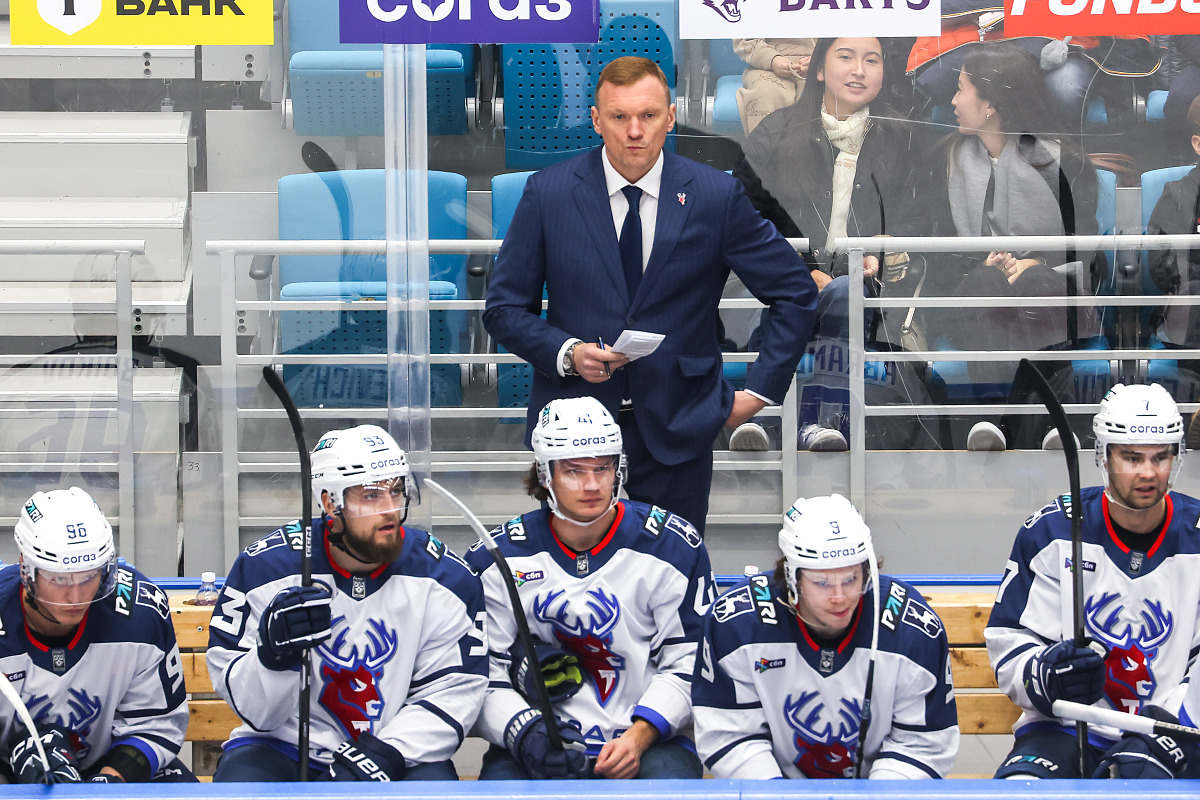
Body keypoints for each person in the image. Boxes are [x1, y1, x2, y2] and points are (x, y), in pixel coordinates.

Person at [483, 55, 818, 534]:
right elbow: (503, 309)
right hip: (573, 430)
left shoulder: (715, 196)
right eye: (619, 116)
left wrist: (760, 390)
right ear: (596, 120)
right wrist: (568, 353)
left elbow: (795, 292)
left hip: (680, 422)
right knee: (574, 572)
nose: (635, 131)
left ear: (672, 116)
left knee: (673, 569)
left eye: (648, 115)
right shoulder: (548, 193)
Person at [207, 424, 487, 781]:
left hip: (397, 750)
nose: (390, 510)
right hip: (283, 748)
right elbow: (254, 712)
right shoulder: (264, 570)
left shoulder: (445, 577)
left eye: (396, 491)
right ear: (330, 503)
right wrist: (271, 660)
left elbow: (454, 687)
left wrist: (387, 754)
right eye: (371, 496)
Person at [465, 396, 715, 780]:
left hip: (651, 739)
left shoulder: (673, 546)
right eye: (574, 471)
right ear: (545, 475)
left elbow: (691, 661)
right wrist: (526, 733)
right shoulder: (497, 558)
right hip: (537, 736)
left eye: (603, 468)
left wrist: (639, 736)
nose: (592, 484)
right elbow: (481, 674)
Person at [986, 383, 1200, 779]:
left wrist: (1168, 734)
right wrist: (1044, 674)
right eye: (1132, 457)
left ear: (1176, 456)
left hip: (1174, 730)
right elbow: (1010, 640)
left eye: (1160, 457)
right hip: (1062, 728)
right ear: (1103, 455)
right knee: (1022, 789)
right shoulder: (1051, 531)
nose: (1148, 472)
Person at [734, 37, 931, 451]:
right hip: (786, 284)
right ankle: (806, 423)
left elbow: (924, 216)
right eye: (846, 57)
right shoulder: (776, 132)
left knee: (844, 292)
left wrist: (886, 244)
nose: (859, 70)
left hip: (871, 293)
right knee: (802, 297)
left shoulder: (903, 137)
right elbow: (744, 220)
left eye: (872, 60)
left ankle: (784, 422)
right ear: (820, 69)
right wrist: (803, 273)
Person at [692, 493, 958, 778]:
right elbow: (730, 734)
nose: (840, 598)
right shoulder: (737, 624)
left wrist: (877, 797)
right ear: (792, 577)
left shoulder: (911, 628)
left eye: (851, 579)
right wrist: (775, 795)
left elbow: (923, 743)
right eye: (822, 583)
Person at [923, 42, 1104, 450]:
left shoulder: (1064, 164)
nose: (953, 101)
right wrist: (984, 264)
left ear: (990, 105)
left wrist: (1035, 263)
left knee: (1039, 283)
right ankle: (992, 418)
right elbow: (933, 249)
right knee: (986, 283)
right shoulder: (943, 161)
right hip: (974, 298)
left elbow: (1087, 249)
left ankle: (1050, 420)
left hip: (1050, 291)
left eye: (961, 89)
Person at [0, 487, 192, 784]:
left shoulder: (139, 614)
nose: (76, 596)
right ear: (27, 568)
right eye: (59, 578)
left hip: (108, 766)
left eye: (89, 576)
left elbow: (156, 725)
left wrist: (108, 785)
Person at [730, 38, 817, 134]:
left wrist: (819, 59)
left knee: (817, 94)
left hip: (819, 66)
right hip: (766, 66)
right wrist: (773, 60)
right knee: (765, 93)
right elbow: (745, 40)